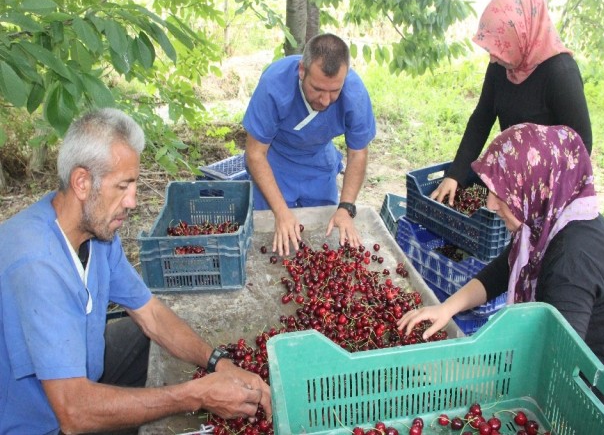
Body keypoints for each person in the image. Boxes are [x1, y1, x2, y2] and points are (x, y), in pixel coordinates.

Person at [0, 108, 272, 434]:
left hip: (78, 373)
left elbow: (151, 314)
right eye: (123, 186)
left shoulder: (95, 230)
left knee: (137, 334)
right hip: (38, 419)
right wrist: (194, 395)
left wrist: (219, 363)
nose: (132, 201)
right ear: (82, 182)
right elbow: (73, 413)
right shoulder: (38, 264)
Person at [398, 123, 604, 395]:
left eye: (501, 193)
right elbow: (504, 269)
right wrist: (447, 308)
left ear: (535, 186)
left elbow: (558, 364)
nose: (489, 204)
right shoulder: (549, 220)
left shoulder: (572, 262)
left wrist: (463, 373)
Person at [431, 0, 592, 206]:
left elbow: (581, 146)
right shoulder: (501, 65)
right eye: (492, 49)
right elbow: (482, 118)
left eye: (502, 46)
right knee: (461, 205)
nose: (493, 58)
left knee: (501, 220)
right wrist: (455, 174)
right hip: (507, 174)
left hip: (546, 186)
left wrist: (529, 187)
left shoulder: (560, 73)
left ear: (523, 34)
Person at [242, 33, 376, 256]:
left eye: (334, 91)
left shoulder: (355, 93)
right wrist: (281, 212)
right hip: (276, 160)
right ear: (302, 70)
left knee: (323, 230)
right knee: (270, 235)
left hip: (318, 161)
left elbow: (358, 154)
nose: (325, 100)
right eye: (318, 89)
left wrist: (346, 207)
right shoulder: (274, 85)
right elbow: (255, 153)